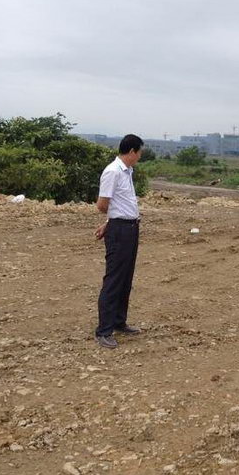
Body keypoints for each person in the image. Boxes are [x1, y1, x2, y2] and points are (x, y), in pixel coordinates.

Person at [94, 134, 144, 349]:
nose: (140, 157)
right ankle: (104, 330)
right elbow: (102, 204)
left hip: (130, 228)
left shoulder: (127, 171)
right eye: (139, 152)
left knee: (125, 278)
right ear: (132, 151)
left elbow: (120, 203)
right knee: (114, 279)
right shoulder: (113, 171)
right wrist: (113, 222)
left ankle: (118, 322)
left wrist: (109, 222)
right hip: (120, 230)